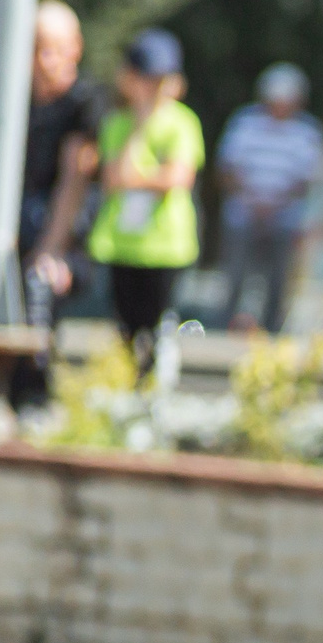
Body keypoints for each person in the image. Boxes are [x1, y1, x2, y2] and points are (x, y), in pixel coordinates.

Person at [85, 29, 204, 380]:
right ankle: (131, 387)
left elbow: (177, 178)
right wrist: (141, 124)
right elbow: (113, 179)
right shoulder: (117, 123)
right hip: (122, 244)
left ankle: (154, 387)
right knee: (126, 328)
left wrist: (135, 178)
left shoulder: (182, 122)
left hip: (164, 245)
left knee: (159, 329)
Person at [9, 0, 100, 410]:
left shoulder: (83, 103)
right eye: (37, 49)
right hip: (19, 225)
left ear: (75, 48)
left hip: (64, 233)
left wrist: (52, 247)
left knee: (39, 288)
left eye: (54, 49)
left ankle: (34, 397)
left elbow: (73, 182)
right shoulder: (14, 97)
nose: (45, 61)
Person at [215, 63, 323, 333]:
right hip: (243, 212)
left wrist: (273, 205)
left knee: (279, 279)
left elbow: (306, 179)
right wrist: (252, 200)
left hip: (284, 217)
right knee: (235, 273)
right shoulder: (245, 123)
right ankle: (226, 324)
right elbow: (228, 168)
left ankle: (272, 329)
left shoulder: (307, 132)